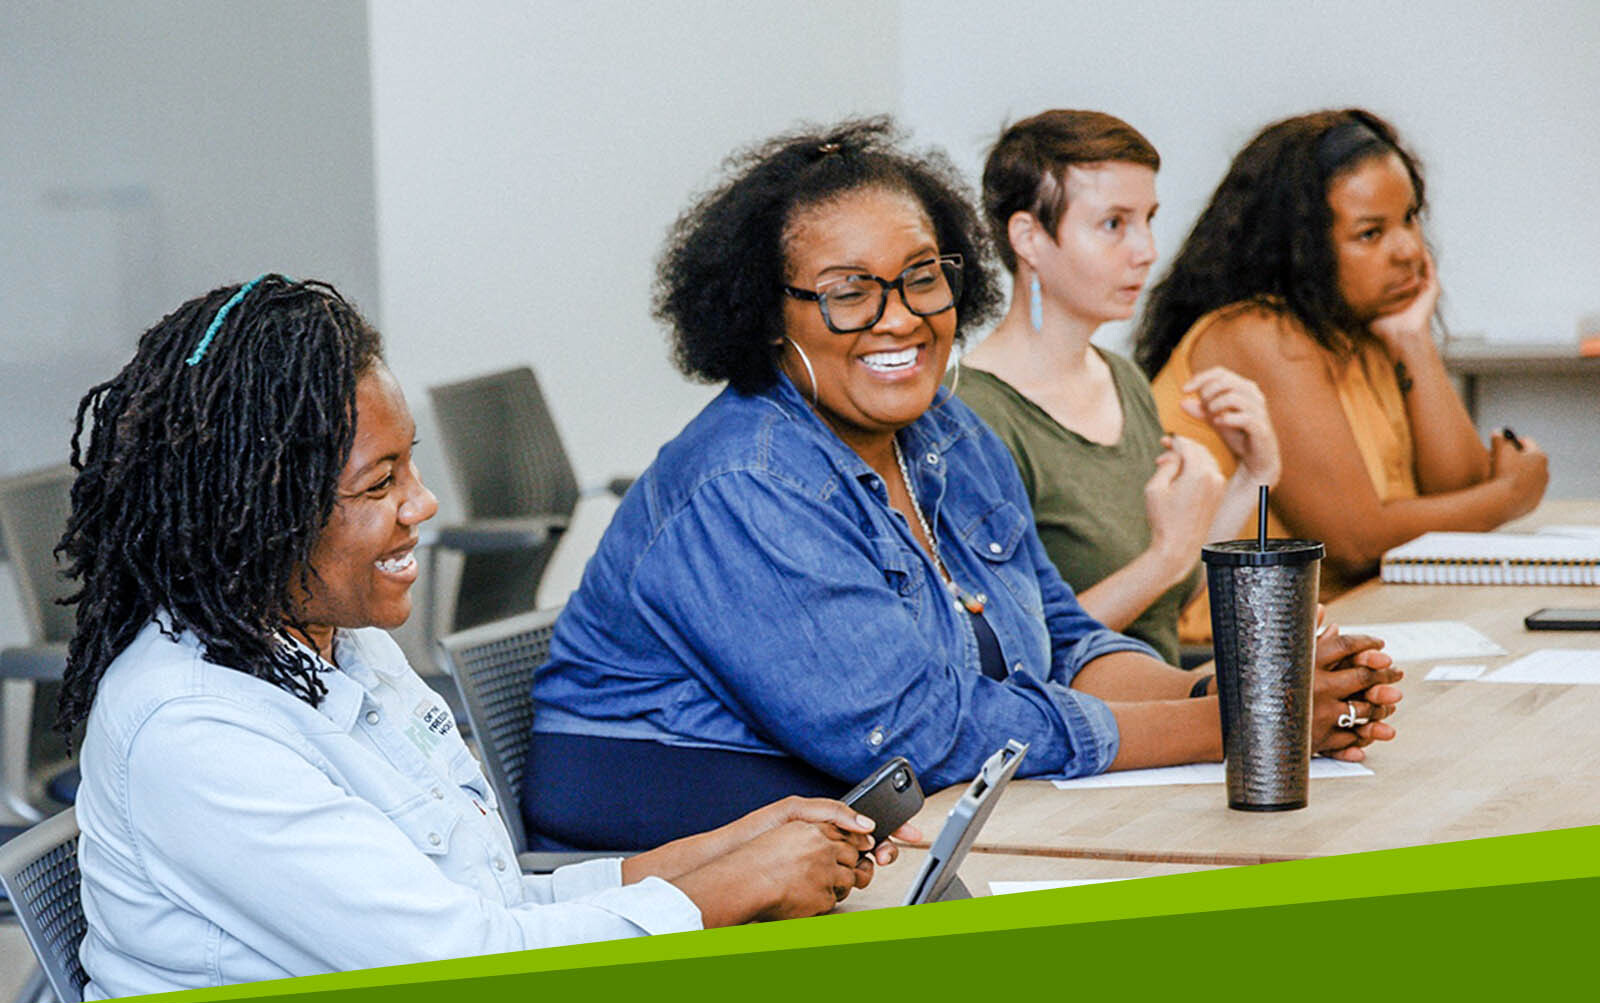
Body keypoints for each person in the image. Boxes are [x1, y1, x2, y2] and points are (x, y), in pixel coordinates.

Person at [527, 118, 1400, 853]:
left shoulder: (945, 433)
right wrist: (1243, 723)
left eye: (920, 277)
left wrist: (1253, 686)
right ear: (764, 315)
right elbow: (924, 737)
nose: (899, 316)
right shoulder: (749, 482)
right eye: (847, 293)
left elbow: (1060, 642)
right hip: (679, 835)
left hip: (869, 814)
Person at [58, 276, 901, 999]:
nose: (422, 504)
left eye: (411, 464)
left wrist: (722, 852)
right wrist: (732, 886)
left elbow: (486, 906)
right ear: (260, 508)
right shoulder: (197, 730)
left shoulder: (336, 644)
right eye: (381, 482)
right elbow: (470, 966)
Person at [1138, 108, 1549, 603]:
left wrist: (1414, 342)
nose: (1409, 251)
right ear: (1300, 248)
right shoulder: (1258, 334)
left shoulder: (1362, 330)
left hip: (1344, 619)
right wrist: (1509, 496)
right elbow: (1355, 541)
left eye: (1410, 219)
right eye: (1370, 234)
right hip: (1227, 649)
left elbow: (1455, 493)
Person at [955, 110, 1280, 666]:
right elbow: (1010, 655)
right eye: (1114, 224)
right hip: (1081, 733)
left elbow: (1163, 601)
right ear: (1029, 237)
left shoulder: (1121, 377)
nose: (1146, 249)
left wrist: (1255, 475)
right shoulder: (969, 412)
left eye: (1148, 219)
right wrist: (1167, 557)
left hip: (1154, 702)